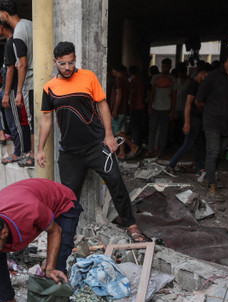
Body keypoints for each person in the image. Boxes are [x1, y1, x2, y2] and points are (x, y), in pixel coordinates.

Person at [37, 41, 147, 243]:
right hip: (70, 152)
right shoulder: (49, 88)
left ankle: (130, 224)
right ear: (55, 62)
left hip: (97, 146)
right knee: (68, 197)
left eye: (71, 62)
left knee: (116, 181)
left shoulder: (88, 77)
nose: (68, 67)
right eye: (62, 64)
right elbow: (46, 119)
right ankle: (65, 237)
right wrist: (40, 149)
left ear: (75, 59)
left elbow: (102, 104)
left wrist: (109, 135)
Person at [196, 45, 228, 197]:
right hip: (212, 122)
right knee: (213, 153)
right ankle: (212, 184)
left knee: (220, 153)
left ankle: (209, 176)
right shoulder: (213, 77)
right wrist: (211, 113)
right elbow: (199, 100)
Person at [0, 0, 34, 167]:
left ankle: (30, 154)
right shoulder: (28, 24)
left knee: (30, 120)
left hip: (31, 82)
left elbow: (23, 64)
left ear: (5, 13)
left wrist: (18, 92)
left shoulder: (17, 33)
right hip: (36, 79)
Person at [163, 62, 213, 177]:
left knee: (197, 144)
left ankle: (200, 168)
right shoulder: (194, 85)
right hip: (193, 119)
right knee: (188, 144)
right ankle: (170, 166)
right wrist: (187, 122)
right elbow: (188, 104)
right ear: (203, 74)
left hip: (197, 119)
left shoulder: (198, 84)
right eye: (208, 75)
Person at [147, 58, 177, 158]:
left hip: (166, 108)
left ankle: (160, 150)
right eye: (163, 66)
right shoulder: (155, 77)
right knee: (152, 129)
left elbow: (174, 96)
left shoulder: (173, 79)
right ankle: (150, 149)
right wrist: (150, 106)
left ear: (170, 67)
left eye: (166, 66)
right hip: (155, 107)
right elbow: (152, 93)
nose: (164, 68)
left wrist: (172, 111)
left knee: (163, 131)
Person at [109, 64, 139, 159]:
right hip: (124, 109)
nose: (112, 72)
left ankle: (132, 146)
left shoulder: (119, 79)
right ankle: (121, 153)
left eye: (113, 70)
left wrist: (115, 110)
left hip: (119, 110)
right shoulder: (126, 79)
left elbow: (119, 95)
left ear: (116, 70)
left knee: (115, 131)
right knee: (122, 131)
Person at [128, 66, 146, 149]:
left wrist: (129, 107)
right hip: (141, 106)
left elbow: (132, 96)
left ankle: (135, 146)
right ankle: (138, 144)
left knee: (134, 128)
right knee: (138, 127)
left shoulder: (132, 82)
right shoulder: (140, 81)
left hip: (135, 107)